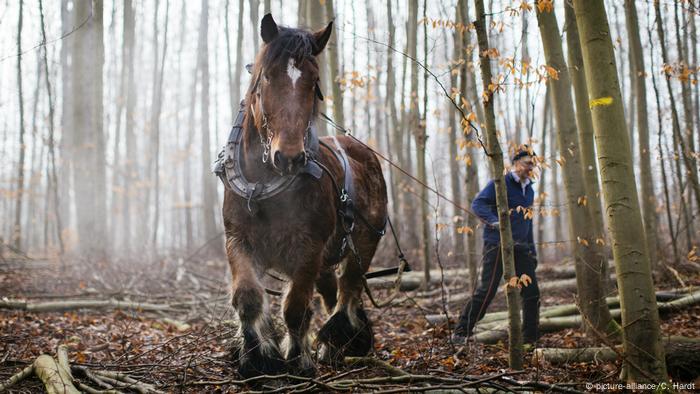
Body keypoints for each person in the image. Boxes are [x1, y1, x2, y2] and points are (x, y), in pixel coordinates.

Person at [453, 145, 540, 345]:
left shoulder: (530, 190)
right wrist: (495, 222)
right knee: (487, 290)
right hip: (497, 245)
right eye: (527, 163)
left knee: (532, 292)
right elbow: (478, 204)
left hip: (522, 248)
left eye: (533, 164)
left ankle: (530, 338)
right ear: (516, 163)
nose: (530, 168)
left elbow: (529, 222)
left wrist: (532, 250)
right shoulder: (500, 183)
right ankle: (461, 332)